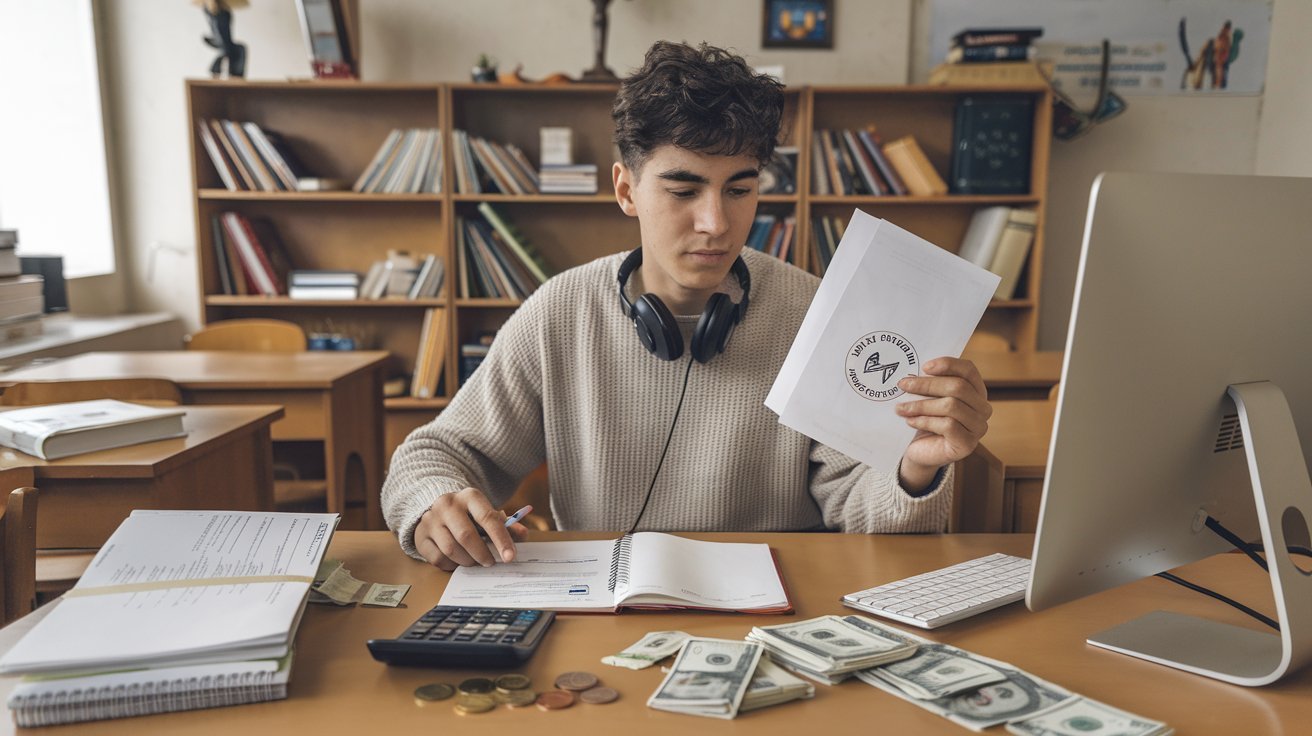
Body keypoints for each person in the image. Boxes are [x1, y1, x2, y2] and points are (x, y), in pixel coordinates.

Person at [382, 40, 992, 570]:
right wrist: (432, 504)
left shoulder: (814, 310)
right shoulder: (561, 311)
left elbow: (861, 512)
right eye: (683, 189)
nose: (716, 224)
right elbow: (434, 454)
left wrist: (915, 467)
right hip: (607, 603)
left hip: (782, 602)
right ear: (626, 189)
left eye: (740, 190)